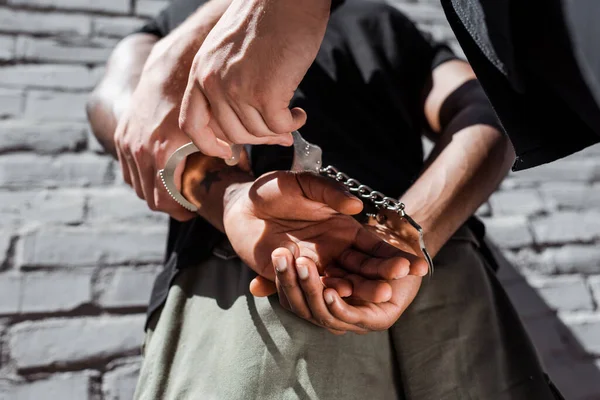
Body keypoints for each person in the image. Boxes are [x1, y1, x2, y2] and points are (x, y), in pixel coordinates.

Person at [87, 0, 563, 398]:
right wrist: (231, 199)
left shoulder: (380, 18)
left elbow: (487, 110)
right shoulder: (179, 21)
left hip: (432, 257)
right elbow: (118, 107)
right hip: (249, 264)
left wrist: (408, 230)